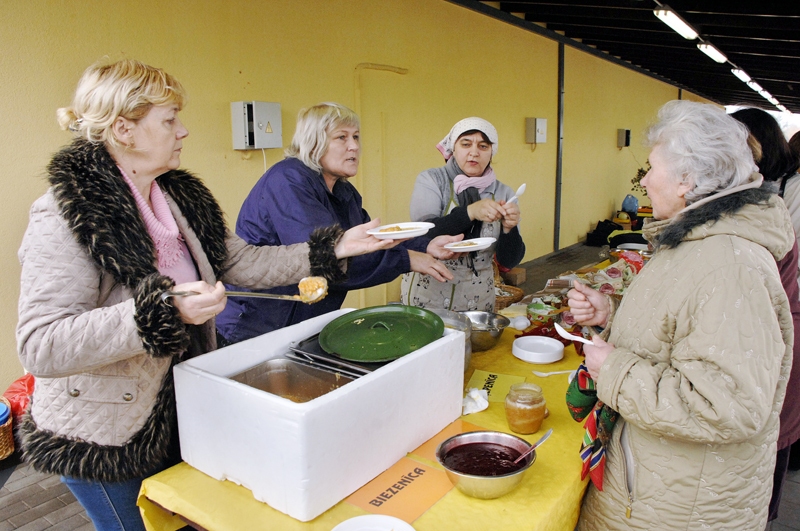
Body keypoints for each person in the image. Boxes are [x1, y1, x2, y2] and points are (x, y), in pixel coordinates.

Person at [16, 60, 398, 531]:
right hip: (107, 436)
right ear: (124, 129)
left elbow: (243, 263)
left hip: (180, 407)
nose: (185, 130)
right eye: (170, 119)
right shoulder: (65, 213)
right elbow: (42, 344)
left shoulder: (177, 197)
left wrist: (335, 247)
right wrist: (161, 311)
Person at [567, 100, 794, 530]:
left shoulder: (730, 264)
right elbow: (680, 334)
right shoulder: (698, 242)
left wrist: (613, 369)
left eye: (651, 168)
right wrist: (610, 317)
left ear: (687, 180)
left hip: (677, 508)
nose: (645, 181)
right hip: (656, 489)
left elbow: (727, 405)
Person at [216, 102, 459, 344]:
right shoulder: (288, 180)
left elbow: (371, 238)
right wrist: (407, 259)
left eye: (356, 136)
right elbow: (326, 261)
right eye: (341, 137)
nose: (354, 146)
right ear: (313, 143)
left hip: (303, 320)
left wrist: (426, 245)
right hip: (257, 324)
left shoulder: (343, 190)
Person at [732, 108, 800, 520]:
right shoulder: (767, 191)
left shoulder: (782, 196)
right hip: (770, 320)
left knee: (771, 434)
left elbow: (780, 257)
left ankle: (763, 516)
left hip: (783, 321)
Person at [400, 117, 525, 311]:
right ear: (453, 148)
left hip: (477, 301)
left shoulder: (504, 193)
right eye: (466, 144)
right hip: (427, 297)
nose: (474, 153)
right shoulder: (432, 180)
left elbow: (509, 261)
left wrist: (509, 230)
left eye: (483, 146)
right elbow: (423, 234)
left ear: (492, 152)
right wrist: (470, 212)